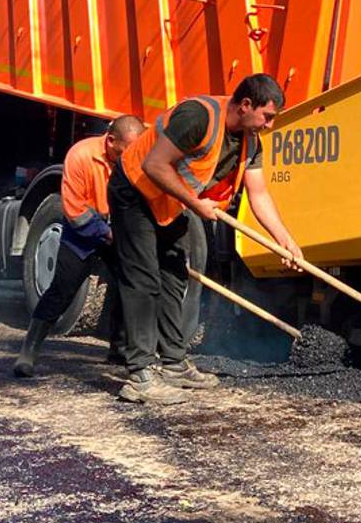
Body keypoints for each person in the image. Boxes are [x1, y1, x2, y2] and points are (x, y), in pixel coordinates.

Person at [110, 73, 302, 404]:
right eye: (267, 117)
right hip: (134, 191)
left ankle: (172, 363)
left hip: (169, 200)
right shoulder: (198, 117)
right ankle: (139, 374)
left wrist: (284, 239)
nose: (269, 125)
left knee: (174, 275)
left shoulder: (251, 141)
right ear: (245, 105)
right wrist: (197, 203)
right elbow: (154, 164)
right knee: (143, 279)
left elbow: (258, 195)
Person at [13, 114, 145, 377]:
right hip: (82, 232)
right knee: (62, 289)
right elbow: (75, 211)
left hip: (116, 227)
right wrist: (107, 233)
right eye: (126, 150)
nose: (131, 157)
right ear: (110, 141)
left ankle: (119, 349)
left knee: (130, 283)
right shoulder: (80, 156)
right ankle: (28, 351)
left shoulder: (134, 158)